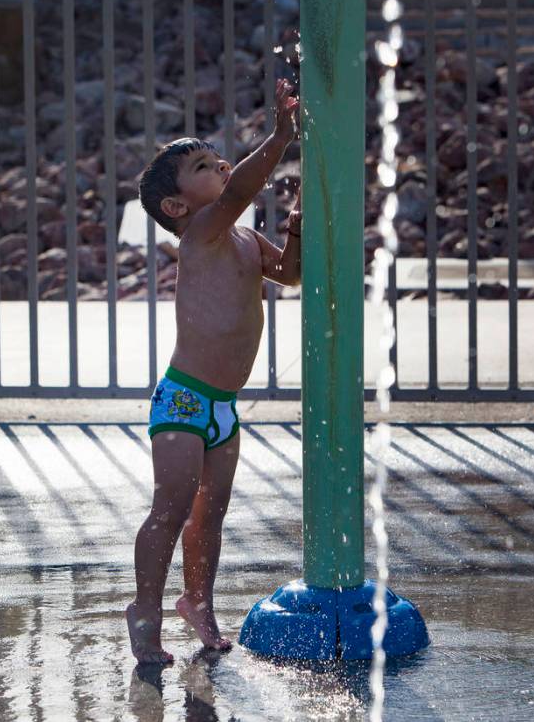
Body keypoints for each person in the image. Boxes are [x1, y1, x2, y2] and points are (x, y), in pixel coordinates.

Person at [126, 78, 301, 664]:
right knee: (171, 507)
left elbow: (292, 274)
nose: (221, 164)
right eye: (203, 165)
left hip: (223, 407)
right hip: (182, 399)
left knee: (211, 512)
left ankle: (196, 601)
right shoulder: (201, 235)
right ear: (177, 207)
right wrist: (279, 137)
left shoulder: (246, 239)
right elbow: (240, 192)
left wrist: (298, 226)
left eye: (216, 157)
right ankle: (144, 609)